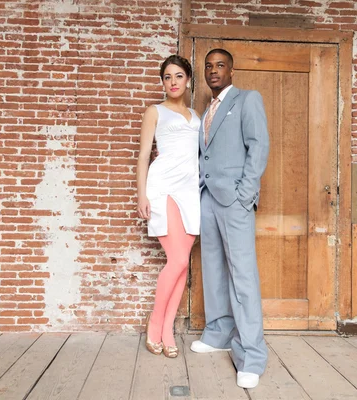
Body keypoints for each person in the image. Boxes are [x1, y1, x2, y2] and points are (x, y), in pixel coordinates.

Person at [190, 48, 270, 389]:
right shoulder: (206, 110)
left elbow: (259, 146)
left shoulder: (247, 100)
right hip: (207, 198)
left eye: (220, 65)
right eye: (208, 66)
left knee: (242, 275)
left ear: (232, 70)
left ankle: (251, 355)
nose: (213, 71)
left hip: (234, 201)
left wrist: (244, 194)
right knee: (214, 269)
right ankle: (219, 332)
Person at [136, 55, 200, 358]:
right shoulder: (155, 111)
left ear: (187, 79)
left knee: (183, 263)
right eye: (166, 77)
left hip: (190, 192)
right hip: (164, 189)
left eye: (178, 76)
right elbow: (143, 156)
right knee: (176, 261)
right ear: (162, 81)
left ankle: (167, 332)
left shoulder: (197, 116)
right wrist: (141, 195)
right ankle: (156, 328)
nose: (172, 82)